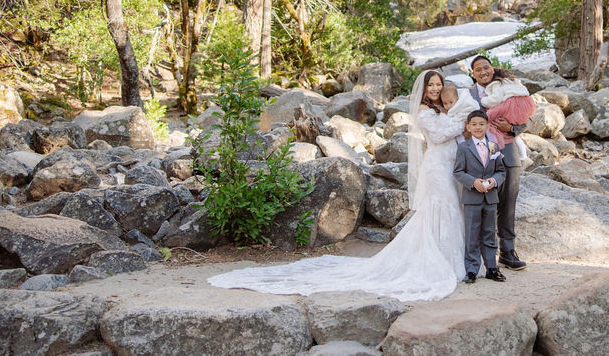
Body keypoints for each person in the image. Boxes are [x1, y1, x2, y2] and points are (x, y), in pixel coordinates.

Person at [206, 70, 479, 301]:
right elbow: (439, 134)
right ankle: (441, 262)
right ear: (423, 89)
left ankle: (456, 258)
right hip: (436, 167)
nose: (435, 89)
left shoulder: (440, 107)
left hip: (449, 164)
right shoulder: (422, 110)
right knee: (441, 208)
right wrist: (462, 123)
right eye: (431, 85)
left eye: (438, 85)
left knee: (453, 208)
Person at [469, 55, 528, 271]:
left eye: (486, 67)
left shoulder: (507, 87)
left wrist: (510, 128)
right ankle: (485, 254)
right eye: (478, 69)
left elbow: (526, 117)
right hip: (480, 156)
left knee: (508, 202)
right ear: (472, 74)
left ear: (492, 68)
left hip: (509, 152)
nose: (483, 72)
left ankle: (508, 251)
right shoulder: (468, 95)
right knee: (484, 204)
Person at [453, 110, 507, 284]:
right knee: (472, 234)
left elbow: (501, 171)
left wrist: (494, 181)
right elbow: (458, 171)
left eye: (481, 124)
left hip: (491, 198)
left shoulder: (494, 146)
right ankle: (471, 269)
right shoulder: (463, 147)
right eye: (474, 124)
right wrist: (473, 181)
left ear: (488, 126)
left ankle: (492, 267)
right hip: (472, 198)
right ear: (468, 127)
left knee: (490, 233)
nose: (477, 127)